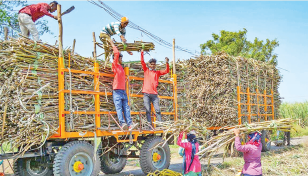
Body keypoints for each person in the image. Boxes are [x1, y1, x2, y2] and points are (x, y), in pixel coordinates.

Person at [140, 49, 169, 129]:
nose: (153, 65)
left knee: (158, 110)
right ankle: (150, 126)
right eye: (151, 64)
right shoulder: (146, 70)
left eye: (154, 64)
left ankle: (160, 125)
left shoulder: (157, 72)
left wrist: (167, 63)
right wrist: (142, 52)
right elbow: (142, 62)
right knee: (148, 110)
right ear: (149, 64)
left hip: (154, 94)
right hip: (146, 93)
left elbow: (166, 71)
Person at [111, 44, 137, 131]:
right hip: (117, 91)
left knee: (126, 108)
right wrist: (112, 44)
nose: (122, 60)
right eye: (120, 58)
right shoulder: (115, 65)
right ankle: (122, 124)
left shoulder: (121, 67)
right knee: (119, 108)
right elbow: (116, 53)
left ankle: (130, 124)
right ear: (117, 58)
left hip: (123, 91)